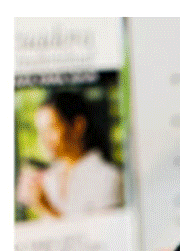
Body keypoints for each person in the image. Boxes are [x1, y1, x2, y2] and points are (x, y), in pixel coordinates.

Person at [16, 90, 121, 218]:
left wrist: (48, 208)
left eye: (51, 128)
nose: (44, 139)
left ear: (78, 125)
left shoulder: (107, 177)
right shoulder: (50, 178)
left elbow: (104, 230)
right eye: (41, 132)